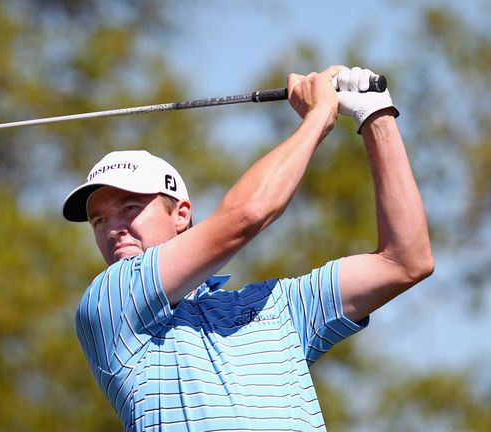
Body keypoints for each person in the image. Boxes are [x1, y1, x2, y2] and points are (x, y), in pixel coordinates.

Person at [61, 65, 434, 431]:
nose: (113, 230)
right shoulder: (110, 302)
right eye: (99, 220)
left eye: (129, 208)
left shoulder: (278, 308)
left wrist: (375, 114)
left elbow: (405, 261)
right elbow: (246, 216)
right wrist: (318, 117)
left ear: (181, 214)